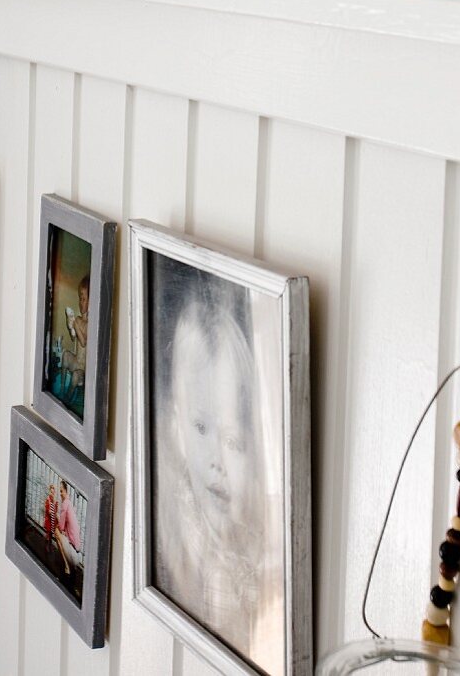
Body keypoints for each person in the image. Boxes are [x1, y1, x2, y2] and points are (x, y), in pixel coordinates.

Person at [152, 263, 280, 668]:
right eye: (201, 428)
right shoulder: (178, 525)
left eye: (232, 441)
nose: (216, 461)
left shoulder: (262, 545)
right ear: (176, 424)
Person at [60, 274, 90, 407]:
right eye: (80, 298)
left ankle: (67, 399)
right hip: (76, 360)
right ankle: (61, 389)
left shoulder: (89, 323)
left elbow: (84, 342)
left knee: (76, 376)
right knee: (65, 354)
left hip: (83, 368)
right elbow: (74, 338)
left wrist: (76, 324)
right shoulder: (79, 319)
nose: (80, 302)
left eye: (83, 298)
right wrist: (70, 324)